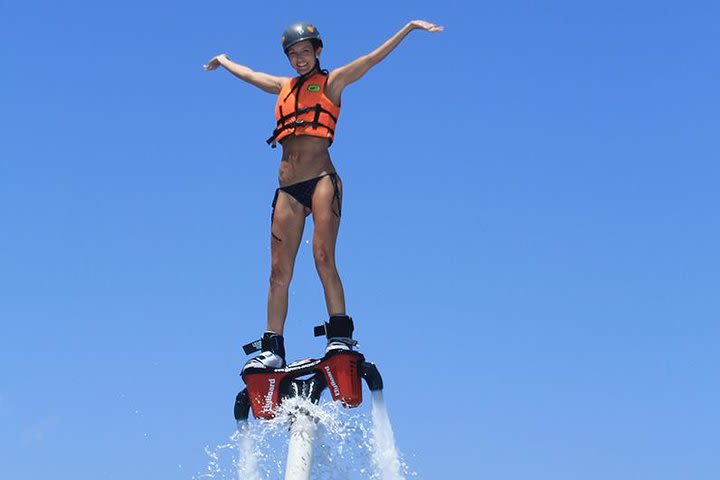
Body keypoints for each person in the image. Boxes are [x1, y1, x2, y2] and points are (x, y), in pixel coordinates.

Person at [204, 20, 443, 371]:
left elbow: (372, 58)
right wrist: (223, 61)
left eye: (304, 51)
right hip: (287, 188)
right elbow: (251, 75)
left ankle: (340, 334)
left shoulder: (332, 82)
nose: (299, 59)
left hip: (321, 181)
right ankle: (272, 347)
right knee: (276, 272)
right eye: (292, 54)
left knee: (322, 257)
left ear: (317, 51)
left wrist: (408, 28)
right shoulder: (283, 86)